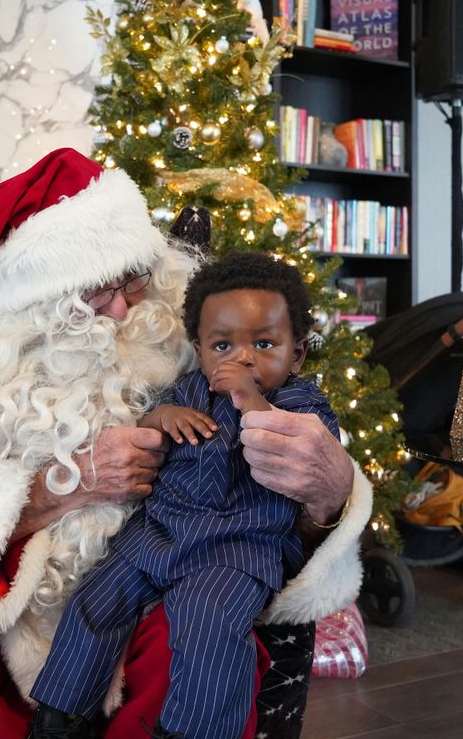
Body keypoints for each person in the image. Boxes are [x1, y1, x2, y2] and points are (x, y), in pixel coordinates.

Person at [0, 148, 372, 739]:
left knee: (200, 650)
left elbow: (288, 443)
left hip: (165, 574)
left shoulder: (201, 336)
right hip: (10, 597)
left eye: (134, 280)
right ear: (31, 304)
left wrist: (330, 491)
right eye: (94, 294)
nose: (126, 307)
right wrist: (64, 487)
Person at [27, 252, 337, 739]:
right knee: (97, 599)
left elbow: (288, 450)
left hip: (238, 547)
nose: (242, 358)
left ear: (295, 353)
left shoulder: (299, 402)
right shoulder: (189, 389)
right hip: (160, 532)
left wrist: (250, 398)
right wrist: (158, 418)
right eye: (222, 345)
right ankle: (61, 716)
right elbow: (147, 423)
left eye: (263, 343)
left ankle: (192, 730)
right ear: (200, 349)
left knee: (207, 619)